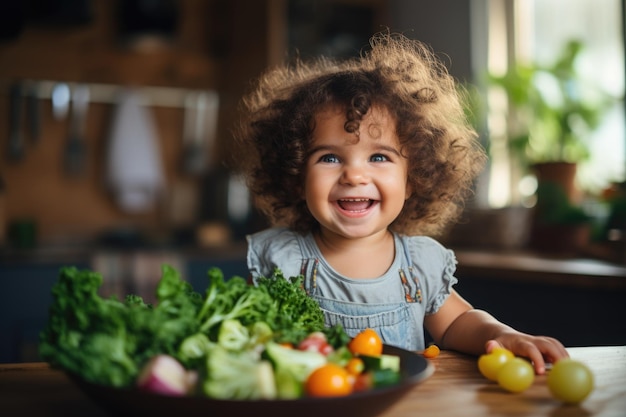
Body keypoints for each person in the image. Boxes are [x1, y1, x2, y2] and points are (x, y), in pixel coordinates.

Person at [231, 32, 568, 374]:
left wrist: (502, 334)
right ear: (296, 177)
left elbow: (457, 323)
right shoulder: (281, 259)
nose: (354, 175)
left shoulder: (418, 264)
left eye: (378, 156)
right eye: (330, 158)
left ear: (413, 179)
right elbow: (238, 338)